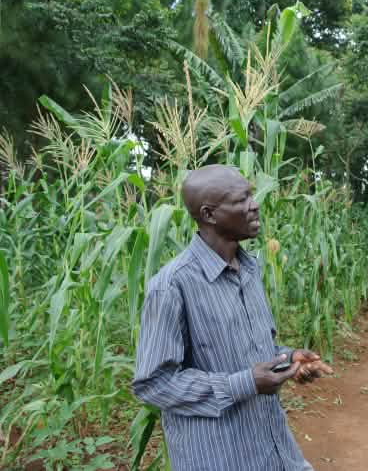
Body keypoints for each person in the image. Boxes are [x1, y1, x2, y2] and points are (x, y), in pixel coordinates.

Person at [133, 165, 333, 471]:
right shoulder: (172, 286)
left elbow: (247, 352)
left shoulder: (249, 270)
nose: (255, 204)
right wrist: (246, 383)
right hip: (220, 457)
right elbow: (154, 383)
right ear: (209, 214)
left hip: (274, 450)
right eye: (242, 200)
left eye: (251, 195)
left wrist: (289, 359)